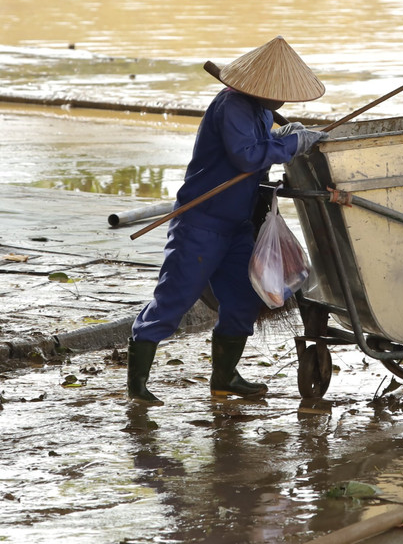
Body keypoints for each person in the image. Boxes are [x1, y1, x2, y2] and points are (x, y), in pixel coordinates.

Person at [128, 36, 329, 402]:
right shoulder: (232, 105)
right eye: (280, 94)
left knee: (242, 299)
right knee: (174, 299)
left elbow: (260, 144)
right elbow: (247, 156)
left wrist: (283, 134)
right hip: (201, 222)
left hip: (237, 225)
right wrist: (293, 144)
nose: (283, 101)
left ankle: (224, 377)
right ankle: (137, 385)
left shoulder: (260, 110)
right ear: (261, 88)